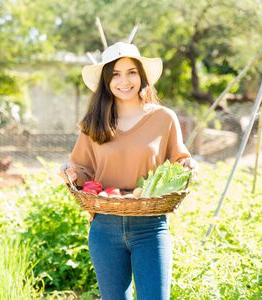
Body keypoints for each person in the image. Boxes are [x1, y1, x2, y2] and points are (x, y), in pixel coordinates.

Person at [60, 41, 198, 300]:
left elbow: (180, 160)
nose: (124, 81)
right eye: (115, 74)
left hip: (151, 226)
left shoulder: (163, 118)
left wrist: (188, 165)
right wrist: (72, 173)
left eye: (131, 72)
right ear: (106, 81)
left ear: (141, 76)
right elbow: (82, 169)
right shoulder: (94, 123)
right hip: (104, 227)